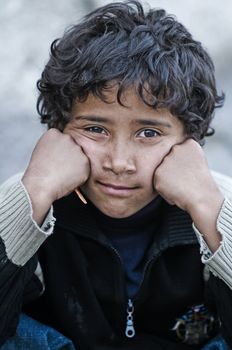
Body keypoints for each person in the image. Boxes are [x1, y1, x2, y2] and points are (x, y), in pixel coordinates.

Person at [0, 1, 232, 349]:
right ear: (58, 131)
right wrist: (33, 194)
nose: (120, 162)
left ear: (189, 140)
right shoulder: (28, 203)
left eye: (149, 133)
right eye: (95, 128)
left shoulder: (220, 203)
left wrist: (209, 211)